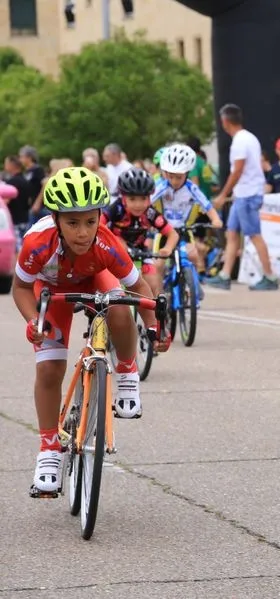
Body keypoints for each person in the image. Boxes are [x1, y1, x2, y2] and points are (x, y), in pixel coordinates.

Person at [12, 167, 167, 495]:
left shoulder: (107, 243)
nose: (83, 233)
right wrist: (33, 321)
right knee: (51, 368)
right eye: (72, 223)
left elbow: (138, 286)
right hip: (51, 289)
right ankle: (49, 450)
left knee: (120, 305)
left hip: (95, 276)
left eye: (90, 222)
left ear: (100, 217)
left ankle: (126, 372)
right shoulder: (37, 244)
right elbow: (21, 289)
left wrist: (154, 327)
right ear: (55, 220)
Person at [209, 103, 280, 291]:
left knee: (254, 235)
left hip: (247, 195)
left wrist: (223, 195)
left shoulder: (240, 141)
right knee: (231, 233)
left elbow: (238, 170)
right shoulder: (249, 138)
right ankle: (225, 275)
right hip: (244, 194)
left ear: (225, 122)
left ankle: (270, 276)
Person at [151, 144, 223, 291]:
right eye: (170, 176)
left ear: (187, 173)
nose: (174, 181)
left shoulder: (191, 187)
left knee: (193, 257)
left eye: (179, 177)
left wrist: (216, 219)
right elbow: (147, 203)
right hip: (165, 231)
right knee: (158, 265)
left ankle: (194, 286)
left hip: (184, 230)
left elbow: (207, 205)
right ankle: (158, 298)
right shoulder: (161, 186)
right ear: (165, 173)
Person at [104, 167, 179, 298]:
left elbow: (173, 234)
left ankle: (156, 316)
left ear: (150, 198)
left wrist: (167, 248)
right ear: (123, 197)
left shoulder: (150, 213)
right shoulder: (116, 208)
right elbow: (98, 226)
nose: (138, 204)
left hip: (140, 253)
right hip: (114, 255)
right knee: (110, 288)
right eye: (132, 199)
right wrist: (116, 241)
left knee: (153, 285)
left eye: (143, 198)